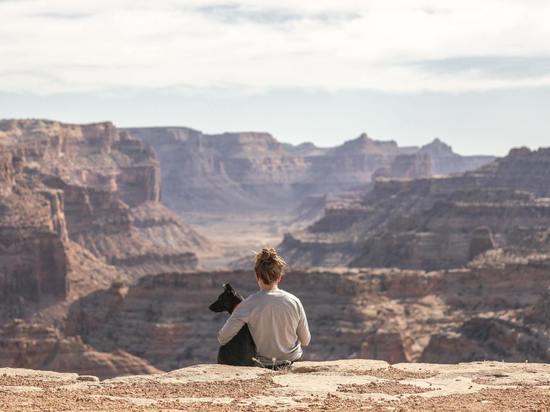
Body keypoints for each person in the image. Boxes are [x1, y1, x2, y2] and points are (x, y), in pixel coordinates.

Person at [217, 248, 311, 368]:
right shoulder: (294, 301)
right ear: (279, 277)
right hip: (293, 362)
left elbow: (222, 338)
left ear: (257, 276)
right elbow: (305, 340)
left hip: (265, 366)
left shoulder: (247, 304)